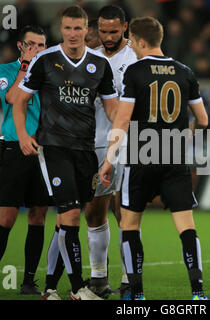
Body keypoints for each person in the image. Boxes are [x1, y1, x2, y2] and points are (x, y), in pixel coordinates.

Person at [13, 5, 118, 300]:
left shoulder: (99, 64)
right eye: (68, 28)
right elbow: (20, 100)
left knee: (69, 220)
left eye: (78, 28)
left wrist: (123, 128)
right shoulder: (45, 60)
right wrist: (22, 134)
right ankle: (77, 289)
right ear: (62, 29)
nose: (73, 34)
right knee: (70, 214)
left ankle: (49, 288)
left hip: (85, 150)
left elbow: (111, 107)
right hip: (53, 147)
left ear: (87, 30)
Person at [99, 16, 209, 300]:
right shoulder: (185, 71)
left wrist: (109, 159)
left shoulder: (134, 71)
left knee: (129, 224)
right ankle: (198, 292)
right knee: (186, 226)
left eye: (132, 41)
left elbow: (122, 121)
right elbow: (203, 119)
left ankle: (136, 294)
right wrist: (185, 136)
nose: (131, 47)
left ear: (141, 41)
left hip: (141, 158)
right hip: (174, 158)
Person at [84, 5, 137, 299]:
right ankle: (99, 279)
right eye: (103, 32)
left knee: (125, 211)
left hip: (128, 143)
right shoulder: (89, 58)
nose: (107, 37)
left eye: (114, 32)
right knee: (93, 212)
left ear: (125, 27)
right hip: (93, 142)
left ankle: (129, 278)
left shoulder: (137, 56)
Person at [0, 25, 50, 295]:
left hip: (44, 150)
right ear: (21, 46)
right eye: (31, 45)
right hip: (14, 147)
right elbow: (11, 98)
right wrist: (26, 66)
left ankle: (29, 280)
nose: (36, 49)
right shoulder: (5, 71)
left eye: (41, 45)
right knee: (6, 217)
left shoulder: (52, 73)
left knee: (38, 215)